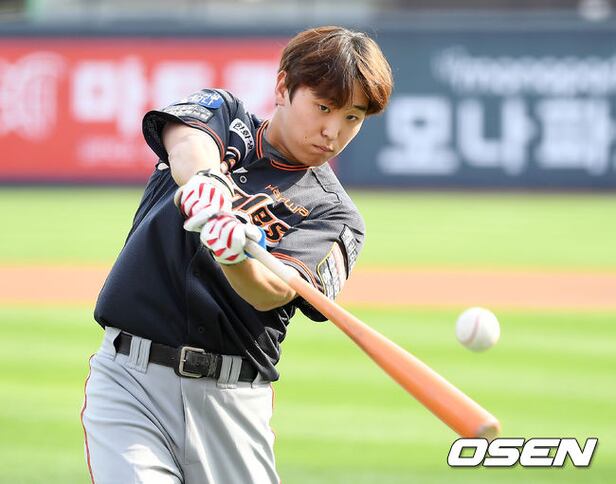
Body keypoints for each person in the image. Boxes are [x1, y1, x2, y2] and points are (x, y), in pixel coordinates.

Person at [81, 25, 393, 483]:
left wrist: (235, 258)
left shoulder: (335, 214)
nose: (333, 131)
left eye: (353, 117)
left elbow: (273, 292)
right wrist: (207, 182)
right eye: (324, 107)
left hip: (232, 401)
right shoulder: (226, 116)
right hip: (131, 382)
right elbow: (187, 144)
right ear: (283, 87)